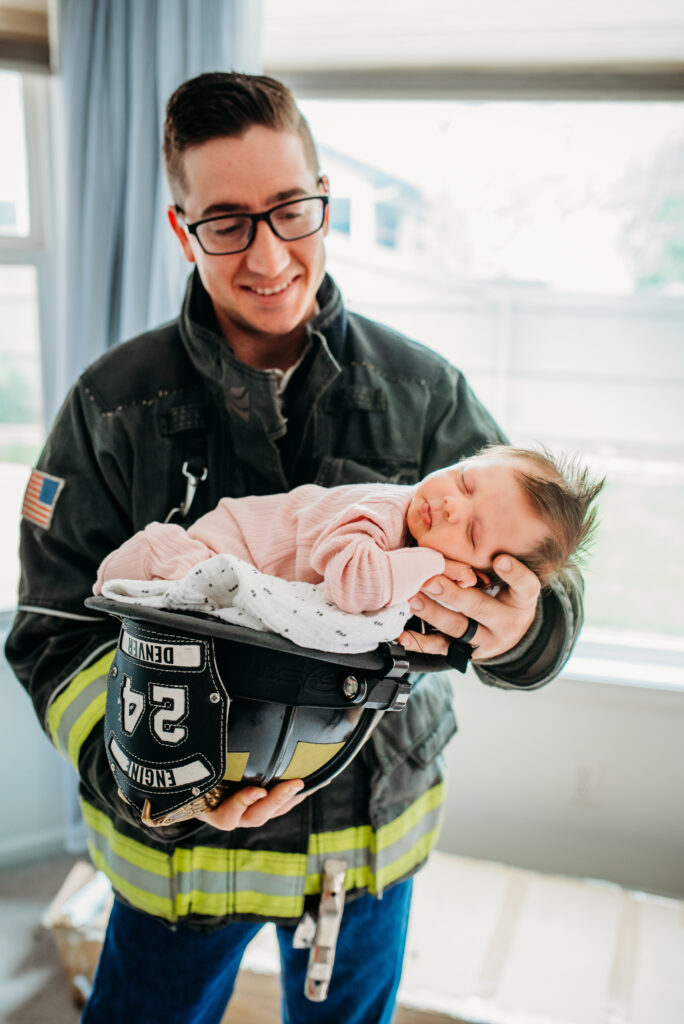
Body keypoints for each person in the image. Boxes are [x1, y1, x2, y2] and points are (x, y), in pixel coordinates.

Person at [5, 72, 584, 1024]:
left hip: (364, 859)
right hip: (178, 860)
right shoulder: (111, 408)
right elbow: (50, 631)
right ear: (181, 228)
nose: (267, 253)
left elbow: (544, 579)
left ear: (326, 198)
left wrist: (522, 627)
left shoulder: (428, 394)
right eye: (226, 221)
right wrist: (140, 763)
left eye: (290, 209)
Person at [93, 444, 602, 622]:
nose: (450, 504)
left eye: (470, 532)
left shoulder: (413, 551)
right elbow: (351, 584)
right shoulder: (389, 511)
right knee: (185, 584)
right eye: (465, 481)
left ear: (481, 577)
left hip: (252, 575)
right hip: (227, 542)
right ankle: (155, 549)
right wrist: (436, 563)